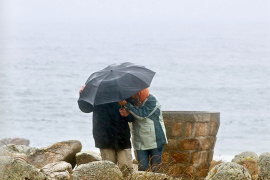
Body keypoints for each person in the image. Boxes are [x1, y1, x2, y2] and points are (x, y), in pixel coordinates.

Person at [78, 84, 134, 177]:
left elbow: (133, 117)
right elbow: (86, 108)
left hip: (122, 135)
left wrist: (127, 113)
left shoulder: (124, 93)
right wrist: (83, 94)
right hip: (104, 136)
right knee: (109, 170)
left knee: (126, 166)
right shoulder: (97, 93)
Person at [119, 88, 168, 172]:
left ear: (140, 93)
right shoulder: (131, 101)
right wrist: (124, 112)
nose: (132, 95)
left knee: (156, 168)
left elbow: (142, 114)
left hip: (156, 139)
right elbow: (131, 117)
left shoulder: (152, 101)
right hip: (140, 141)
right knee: (142, 168)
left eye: (135, 93)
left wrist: (127, 105)